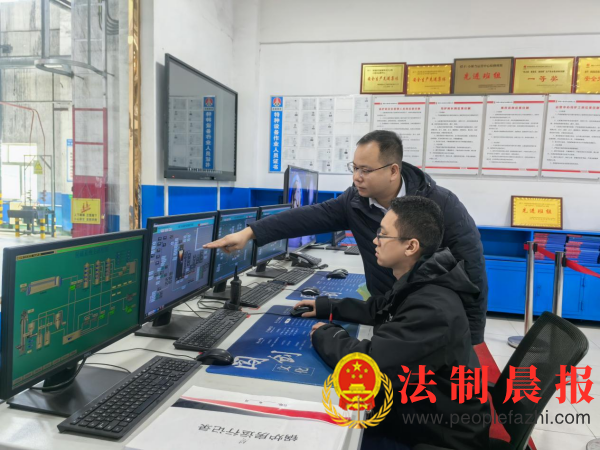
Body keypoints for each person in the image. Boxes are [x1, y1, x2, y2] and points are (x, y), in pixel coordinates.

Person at [204, 130, 488, 345]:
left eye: (366, 170)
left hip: (428, 320)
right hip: (386, 309)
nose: (356, 177)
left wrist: (474, 338)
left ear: (393, 171)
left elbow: (472, 268)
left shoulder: (440, 205)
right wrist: (250, 233)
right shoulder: (355, 202)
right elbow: (308, 217)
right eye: (354, 168)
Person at [297, 196, 490, 450]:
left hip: (436, 437)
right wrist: (329, 307)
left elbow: (369, 366)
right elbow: (382, 308)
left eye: (383, 234)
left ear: (410, 246)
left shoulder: (432, 308)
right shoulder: (423, 278)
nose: (375, 240)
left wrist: (327, 334)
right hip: (418, 414)